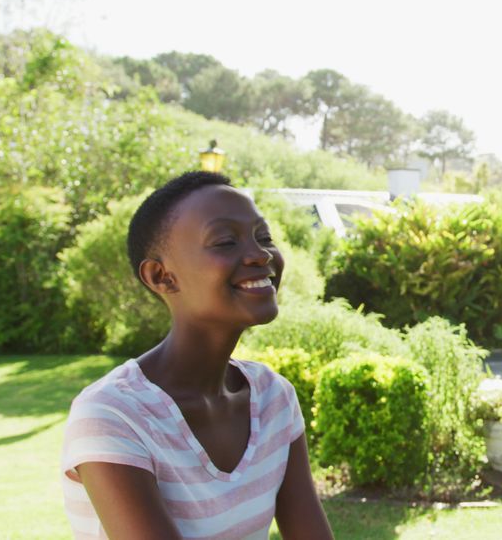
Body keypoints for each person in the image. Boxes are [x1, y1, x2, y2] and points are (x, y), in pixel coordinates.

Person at [61, 171, 333, 539]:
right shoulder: (113, 414)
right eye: (225, 241)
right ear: (162, 277)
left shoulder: (273, 397)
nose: (259, 254)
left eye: (263, 237)